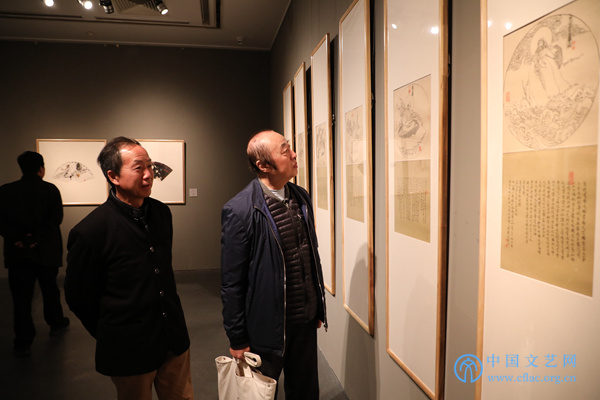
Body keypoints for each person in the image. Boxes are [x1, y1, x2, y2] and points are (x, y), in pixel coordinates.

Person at [64, 137, 193, 400]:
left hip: (173, 338)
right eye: (138, 168)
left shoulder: (161, 213)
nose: (148, 175)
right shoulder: (91, 231)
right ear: (113, 176)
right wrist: (113, 333)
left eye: (150, 166)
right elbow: (78, 296)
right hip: (129, 348)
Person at [220, 130, 327, 399]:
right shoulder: (240, 210)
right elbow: (232, 281)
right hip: (266, 326)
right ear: (263, 165)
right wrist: (237, 337)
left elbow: (309, 255)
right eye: (285, 150)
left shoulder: (301, 197)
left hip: (304, 320)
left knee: (305, 391)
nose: (294, 154)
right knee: (260, 393)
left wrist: (316, 305)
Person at [0, 151, 70, 357]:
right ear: (41, 169)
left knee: (21, 298)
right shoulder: (50, 190)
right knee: (50, 290)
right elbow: (55, 218)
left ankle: (23, 341)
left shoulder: (6, 191)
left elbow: (2, 221)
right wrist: (36, 238)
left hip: (18, 252)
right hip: (45, 251)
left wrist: (19, 239)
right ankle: (56, 322)